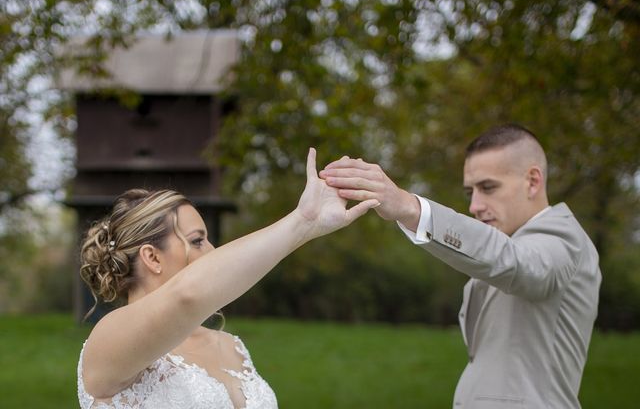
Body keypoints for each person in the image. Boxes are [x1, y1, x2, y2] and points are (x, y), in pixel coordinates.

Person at [320, 124, 601, 408]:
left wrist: (411, 208)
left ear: (532, 181)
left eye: (488, 187)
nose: (475, 206)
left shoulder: (564, 237)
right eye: (470, 192)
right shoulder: (510, 242)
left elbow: (521, 264)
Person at [77, 148, 379, 409]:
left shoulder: (231, 346)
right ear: (152, 257)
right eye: (197, 241)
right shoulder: (108, 341)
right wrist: (303, 222)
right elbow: (187, 295)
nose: (212, 250)